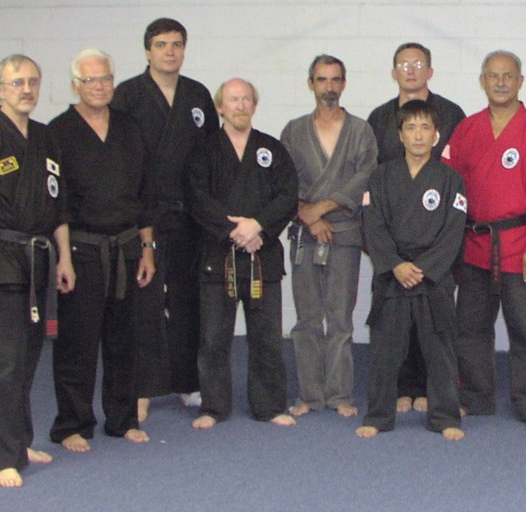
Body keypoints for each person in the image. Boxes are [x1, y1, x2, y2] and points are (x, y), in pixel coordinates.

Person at [0, 54, 75, 487]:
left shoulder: (45, 138)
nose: (27, 89)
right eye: (17, 82)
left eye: (33, 82)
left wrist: (64, 257)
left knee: (26, 359)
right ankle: (5, 457)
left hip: (40, 260)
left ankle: (21, 442)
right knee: (3, 365)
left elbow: (59, 205)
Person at [441, 50, 526, 432]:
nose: (500, 82)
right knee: (470, 328)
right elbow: (448, 183)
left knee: (525, 329)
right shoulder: (467, 129)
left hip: (520, 246)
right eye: (493, 76)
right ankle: (474, 396)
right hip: (475, 244)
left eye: (508, 76)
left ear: (520, 81)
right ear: (482, 81)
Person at [111, 18, 220, 420]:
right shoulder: (128, 95)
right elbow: (120, 159)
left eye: (176, 44)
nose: (170, 51)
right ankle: (142, 388)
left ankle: (188, 381)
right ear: (147, 50)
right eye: (161, 44)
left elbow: (212, 155)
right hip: (146, 215)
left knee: (189, 301)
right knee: (145, 304)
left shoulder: (197, 94)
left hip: (190, 216)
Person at [47, 49, 153, 452]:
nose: (99, 86)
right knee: (77, 343)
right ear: (75, 85)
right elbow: (55, 202)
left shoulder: (129, 127)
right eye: (90, 80)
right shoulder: (59, 132)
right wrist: (64, 258)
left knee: (125, 341)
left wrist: (147, 248)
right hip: (82, 249)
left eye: (105, 78)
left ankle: (123, 420)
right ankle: (71, 425)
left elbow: (145, 193)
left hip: (127, 248)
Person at [189, 78, 299, 429]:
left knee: (266, 337)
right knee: (213, 338)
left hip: (262, 254)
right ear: (220, 107)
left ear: (255, 104)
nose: (240, 105)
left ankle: (269, 406)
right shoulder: (203, 150)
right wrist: (234, 231)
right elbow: (197, 198)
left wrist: (259, 226)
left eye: (247, 99)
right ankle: (213, 406)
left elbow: (287, 195)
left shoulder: (271, 149)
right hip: (218, 255)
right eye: (233, 100)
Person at [357, 100, 466, 441]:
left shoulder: (451, 179)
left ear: (436, 136)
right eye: (411, 128)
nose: (418, 135)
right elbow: (373, 225)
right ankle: (378, 415)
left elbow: (454, 231)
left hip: (433, 277)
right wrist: (395, 264)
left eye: (425, 128)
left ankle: (445, 416)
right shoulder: (380, 177)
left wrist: (424, 268)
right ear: (400, 135)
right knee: (384, 351)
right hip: (393, 275)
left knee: (440, 351)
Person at [281, 54, 378, 418]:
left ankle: (339, 394)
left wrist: (320, 208)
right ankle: (309, 394)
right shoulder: (294, 131)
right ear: (311, 84)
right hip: (305, 235)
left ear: (344, 84)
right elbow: (283, 181)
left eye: (335, 79)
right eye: (322, 79)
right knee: (307, 318)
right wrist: (307, 216)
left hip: (345, 233)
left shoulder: (361, 131)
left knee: (339, 318)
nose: (329, 87)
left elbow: (365, 177)